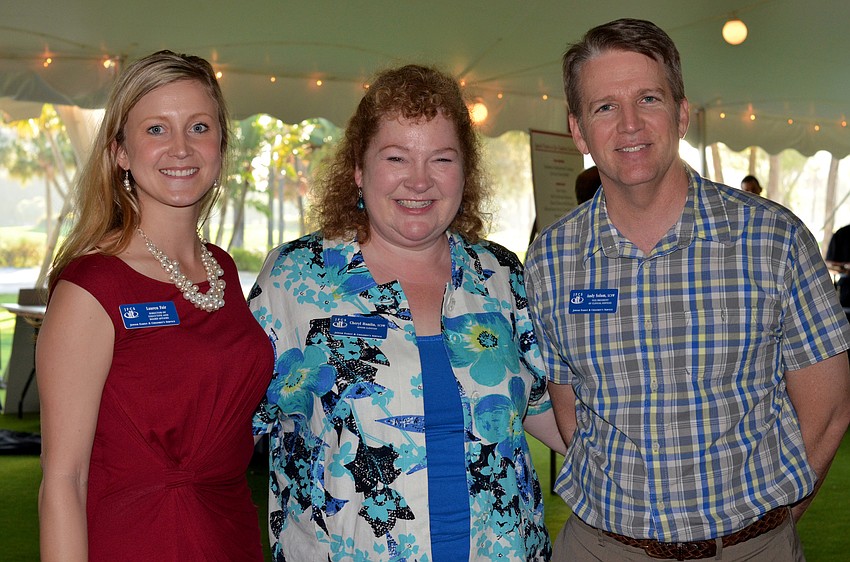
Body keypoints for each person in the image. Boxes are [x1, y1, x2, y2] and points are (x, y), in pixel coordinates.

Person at [525, 18, 850, 561]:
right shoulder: (552, 260)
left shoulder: (773, 239)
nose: (629, 124)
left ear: (680, 114)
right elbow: (570, 415)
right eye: (604, 106)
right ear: (578, 130)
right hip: (603, 548)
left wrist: (762, 531)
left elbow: (829, 410)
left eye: (648, 98)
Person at [249, 64, 565, 561]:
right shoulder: (297, 279)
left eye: (441, 159)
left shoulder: (498, 274)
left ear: (465, 170)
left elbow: (552, 413)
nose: (419, 180)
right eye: (396, 157)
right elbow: (228, 424)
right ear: (359, 168)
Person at [36, 50, 273, 561]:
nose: (182, 148)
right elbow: (63, 479)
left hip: (229, 533)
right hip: (137, 540)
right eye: (156, 130)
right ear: (120, 151)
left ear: (220, 144)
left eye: (199, 126)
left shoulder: (222, 271)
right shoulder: (92, 286)